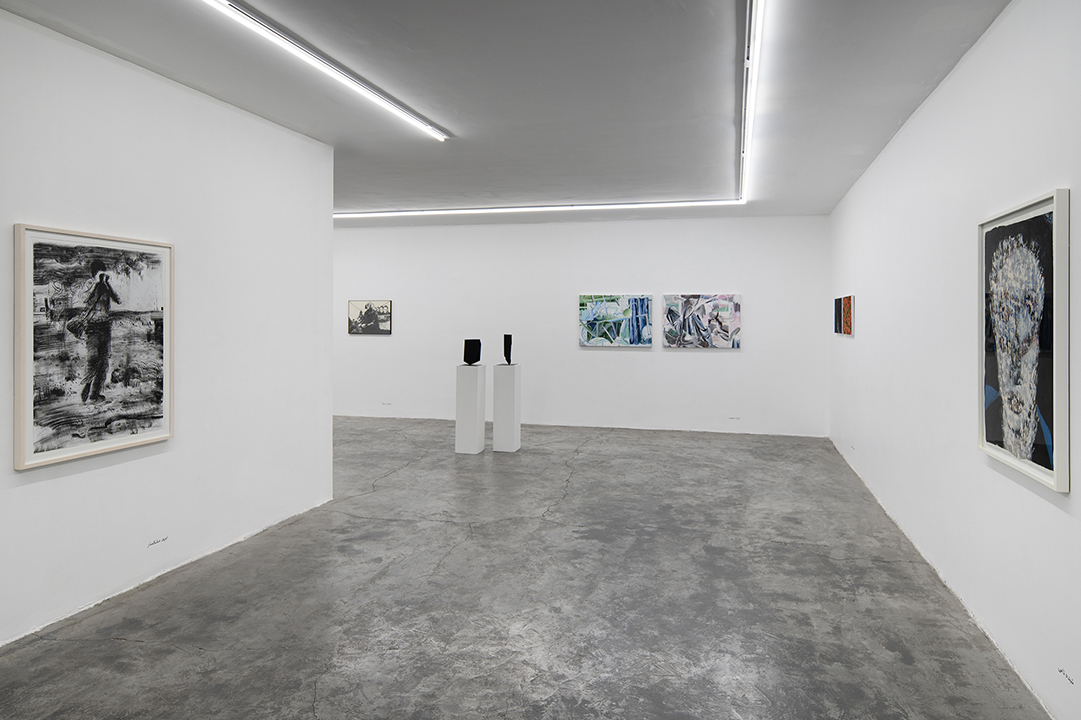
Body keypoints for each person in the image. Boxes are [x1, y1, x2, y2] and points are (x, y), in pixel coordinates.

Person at [81, 259, 121, 403]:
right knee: (93, 360)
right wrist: (96, 285)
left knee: (103, 363)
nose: (101, 275)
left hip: (105, 326)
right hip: (92, 327)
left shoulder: (105, 286)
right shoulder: (89, 285)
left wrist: (107, 284)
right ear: (94, 273)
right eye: (99, 272)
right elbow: (86, 300)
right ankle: (87, 385)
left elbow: (118, 300)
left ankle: (94, 394)